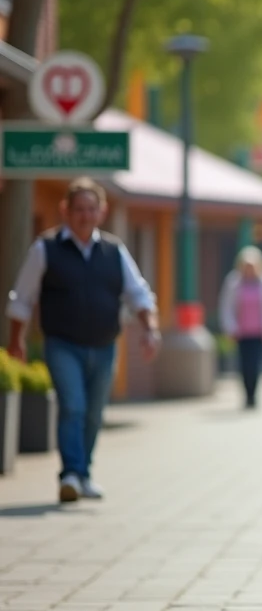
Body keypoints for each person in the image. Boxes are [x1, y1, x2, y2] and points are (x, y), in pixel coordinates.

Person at [5, 177, 160, 503]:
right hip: (63, 343)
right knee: (72, 406)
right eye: (79, 209)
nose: (85, 216)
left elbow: (138, 295)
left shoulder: (114, 251)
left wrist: (150, 329)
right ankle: (71, 474)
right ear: (66, 211)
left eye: (91, 209)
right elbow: (22, 298)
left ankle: (84, 473)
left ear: (101, 212)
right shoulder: (45, 249)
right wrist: (16, 341)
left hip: (104, 345)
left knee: (93, 413)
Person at [219, 246, 262, 409]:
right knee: (243, 364)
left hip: (260, 331)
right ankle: (246, 393)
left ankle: (253, 394)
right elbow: (226, 306)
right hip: (241, 332)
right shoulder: (233, 281)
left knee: (255, 364)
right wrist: (230, 328)